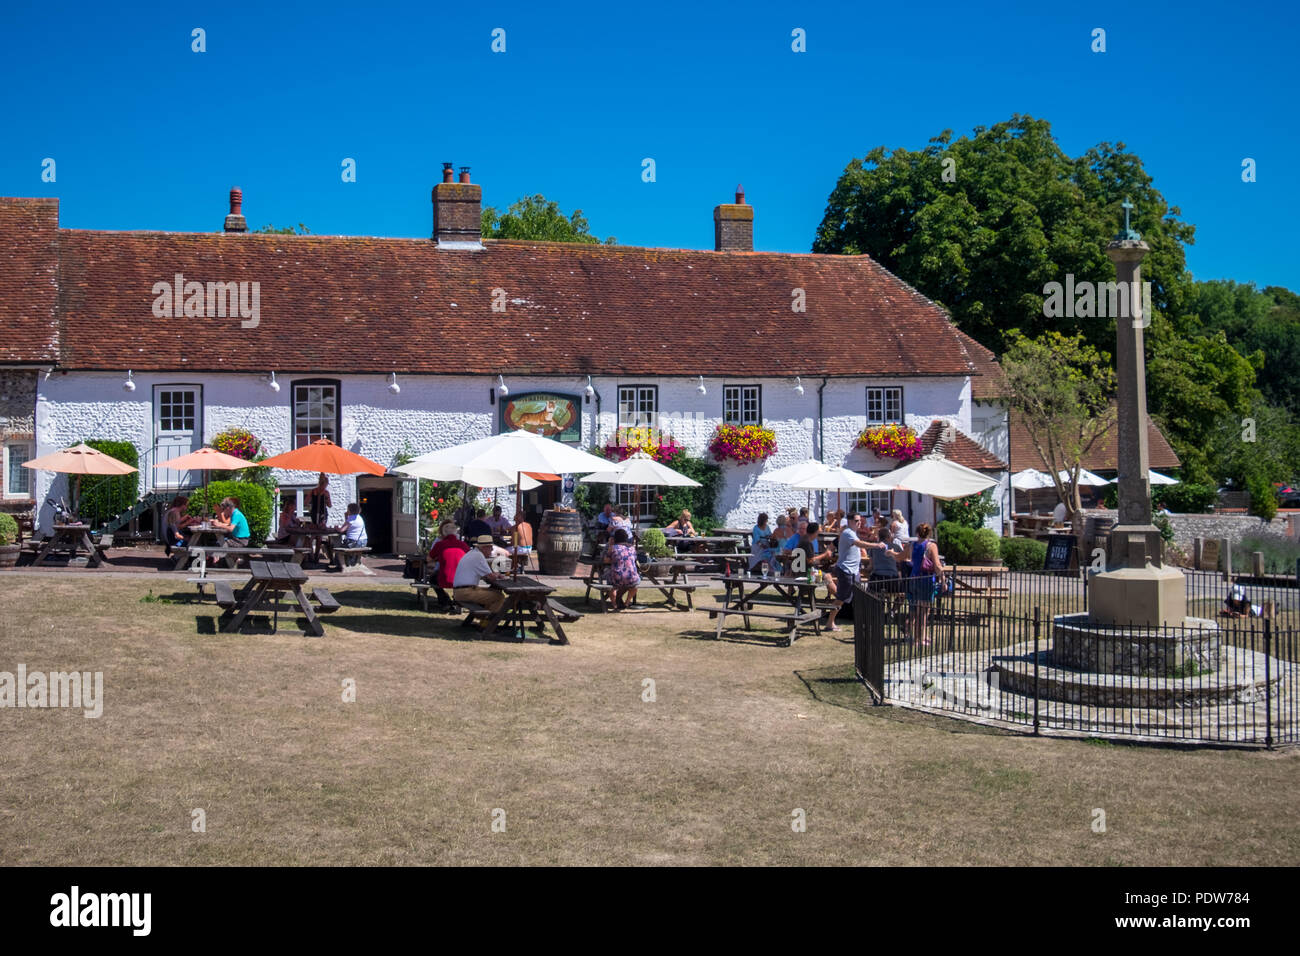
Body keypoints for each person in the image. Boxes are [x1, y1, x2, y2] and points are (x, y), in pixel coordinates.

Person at [824, 513, 871, 631]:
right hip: (846, 570)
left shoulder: (853, 533)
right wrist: (876, 545)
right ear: (850, 521)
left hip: (854, 571)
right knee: (841, 597)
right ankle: (830, 622)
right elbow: (859, 544)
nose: (859, 522)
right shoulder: (848, 533)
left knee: (857, 596)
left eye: (860, 520)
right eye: (856, 520)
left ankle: (860, 621)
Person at [907, 523, 946, 647]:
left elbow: (901, 557)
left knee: (916, 610)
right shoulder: (931, 546)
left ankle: (919, 636)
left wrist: (891, 553)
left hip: (913, 579)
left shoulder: (912, 546)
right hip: (926, 580)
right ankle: (919, 639)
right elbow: (937, 565)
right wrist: (943, 580)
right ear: (929, 533)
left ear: (917, 533)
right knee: (924, 612)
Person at [453, 534, 508, 614]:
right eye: (490, 547)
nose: (492, 549)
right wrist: (498, 573)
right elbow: (491, 577)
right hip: (465, 592)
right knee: (499, 597)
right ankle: (488, 622)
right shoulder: (478, 556)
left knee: (495, 592)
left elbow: (487, 575)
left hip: (461, 591)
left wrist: (495, 574)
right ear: (484, 548)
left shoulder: (473, 553)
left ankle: (484, 618)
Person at [428, 521, 470, 610]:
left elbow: (428, 559)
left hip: (445, 577)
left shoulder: (440, 544)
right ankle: (456, 601)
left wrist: (437, 558)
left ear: (443, 533)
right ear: (456, 533)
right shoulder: (463, 545)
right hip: (462, 578)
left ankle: (445, 601)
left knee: (432, 579)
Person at [605, 528, 641, 610]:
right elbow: (634, 559)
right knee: (635, 585)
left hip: (617, 578)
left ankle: (614, 604)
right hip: (631, 578)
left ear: (615, 538)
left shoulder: (613, 547)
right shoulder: (632, 548)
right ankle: (627, 602)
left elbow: (606, 560)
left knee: (610, 585)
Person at [305, 474, 332, 561]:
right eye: (325, 484)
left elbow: (329, 505)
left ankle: (314, 555)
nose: (325, 486)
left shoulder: (315, 491)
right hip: (320, 514)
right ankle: (313, 555)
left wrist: (325, 498)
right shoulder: (315, 491)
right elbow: (329, 505)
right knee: (315, 535)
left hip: (319, 514)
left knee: (317, 535)